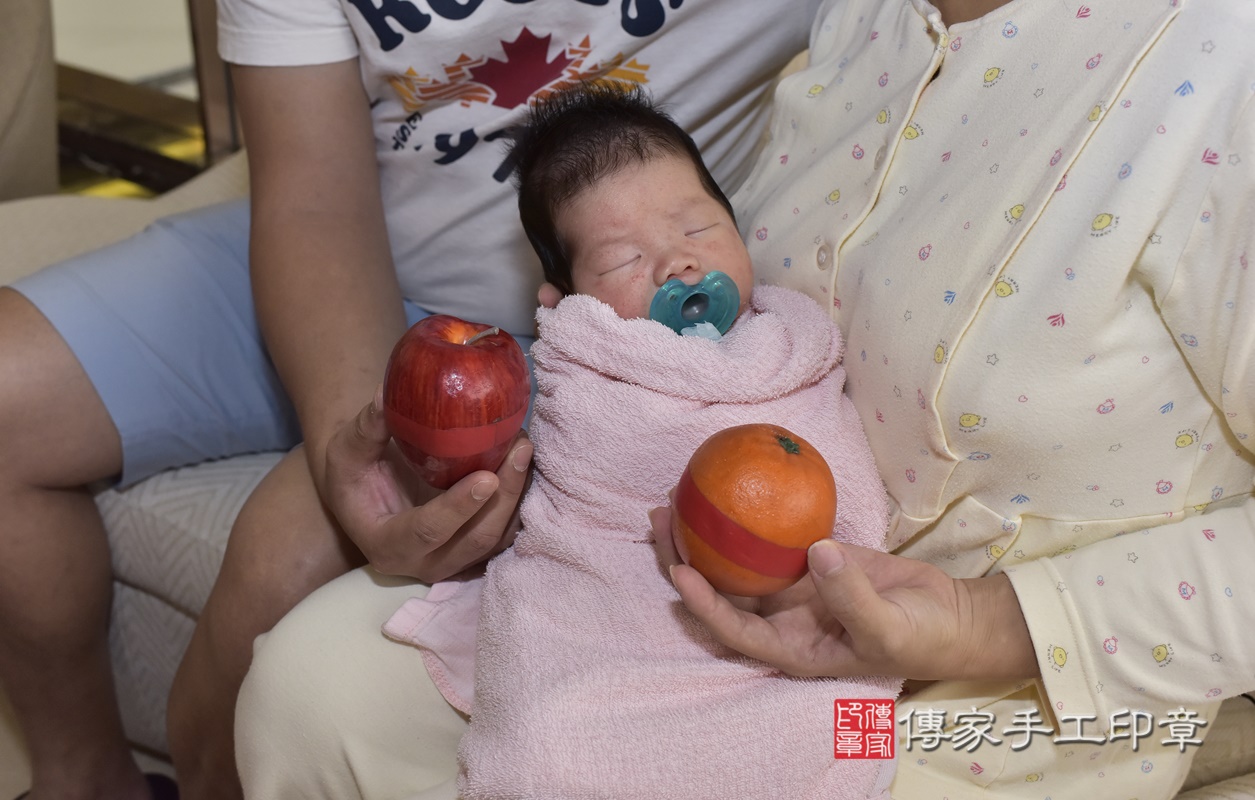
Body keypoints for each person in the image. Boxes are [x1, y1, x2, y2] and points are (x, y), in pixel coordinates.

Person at [234, 0, 1255, 798]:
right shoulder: (863, 21)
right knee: (313, 689)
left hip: (975, 701)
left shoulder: (1221, 75)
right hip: (676, 615)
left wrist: (976, 622)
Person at [0, 2, 825, 799]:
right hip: (341, 242)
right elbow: (312, 196)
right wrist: (355, 442)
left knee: (274, 574)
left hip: (585, 319)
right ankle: (84, 784)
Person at [384, 83, 900, 799]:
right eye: (624, 259)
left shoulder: (793, 346)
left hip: (792, 623)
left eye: (698, 229)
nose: (676, 265)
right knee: (545, 745)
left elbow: (847, 492)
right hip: (608, 637)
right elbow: (575, 499)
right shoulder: (581, 371)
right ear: (565, 301)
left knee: (834, 724)